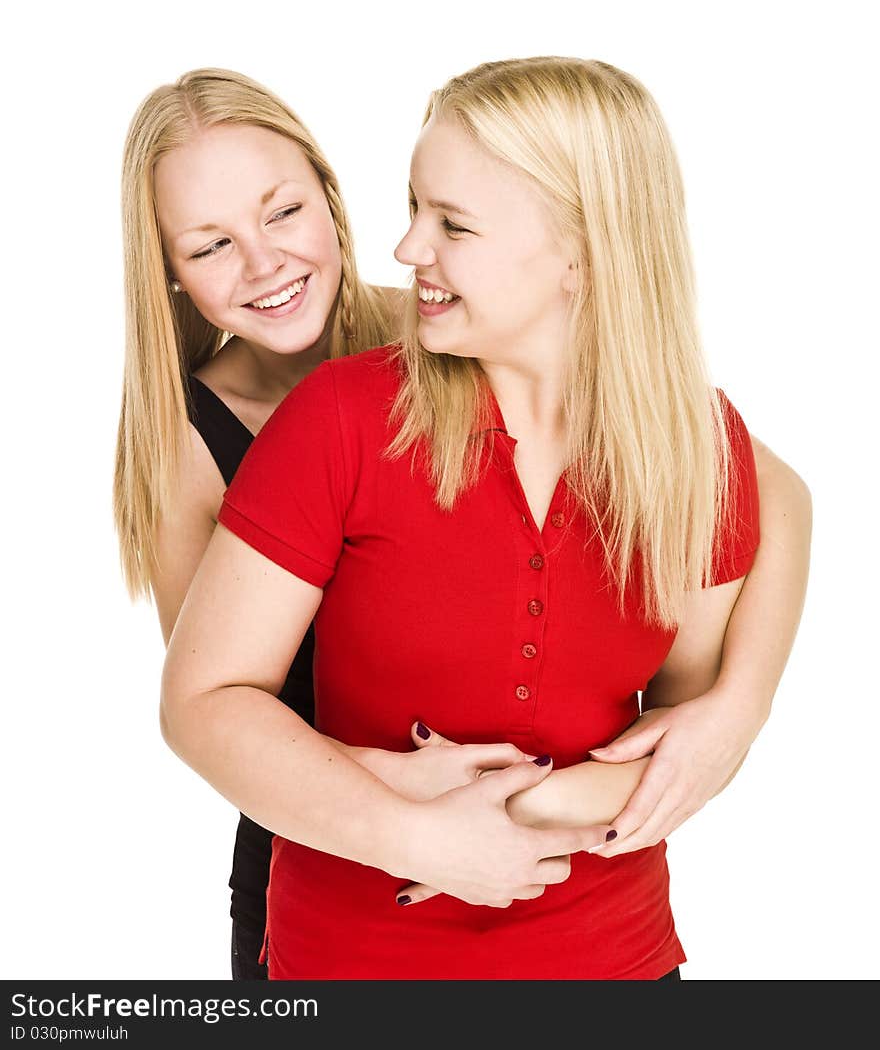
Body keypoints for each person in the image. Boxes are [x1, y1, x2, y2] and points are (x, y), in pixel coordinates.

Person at [158, 57, 812, 980]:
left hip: (615, 959)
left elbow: (682, 734)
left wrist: (739, 710)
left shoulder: (693, 446)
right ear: (173, 275)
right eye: (208, 243)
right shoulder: (329, 416)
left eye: (452, 222)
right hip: (342, 929)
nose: (409, 247)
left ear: (583, 253)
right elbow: (206, 703)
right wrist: (416, 830)